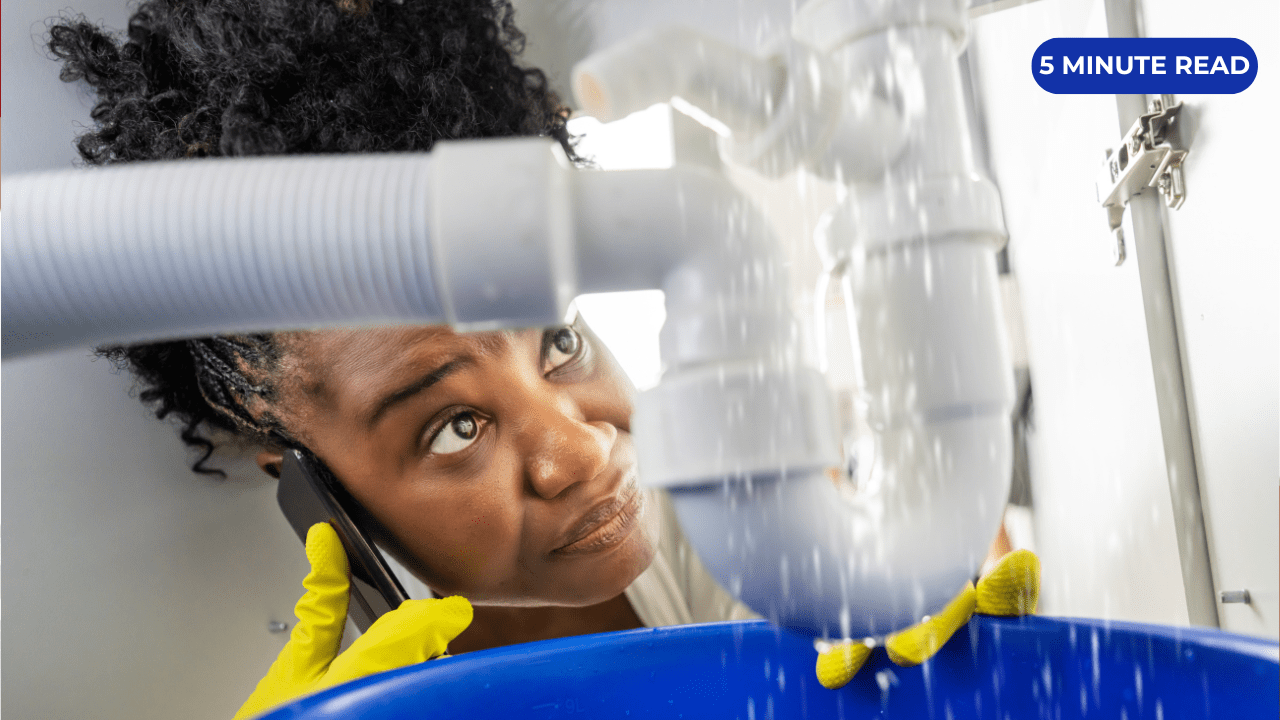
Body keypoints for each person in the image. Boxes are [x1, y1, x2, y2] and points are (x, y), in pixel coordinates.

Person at [48, 0, 753, 665]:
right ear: (298, 464)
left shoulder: (737, 503)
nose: (580, 452)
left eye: (559, 343)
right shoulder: (271, 671)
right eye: (457, 427)